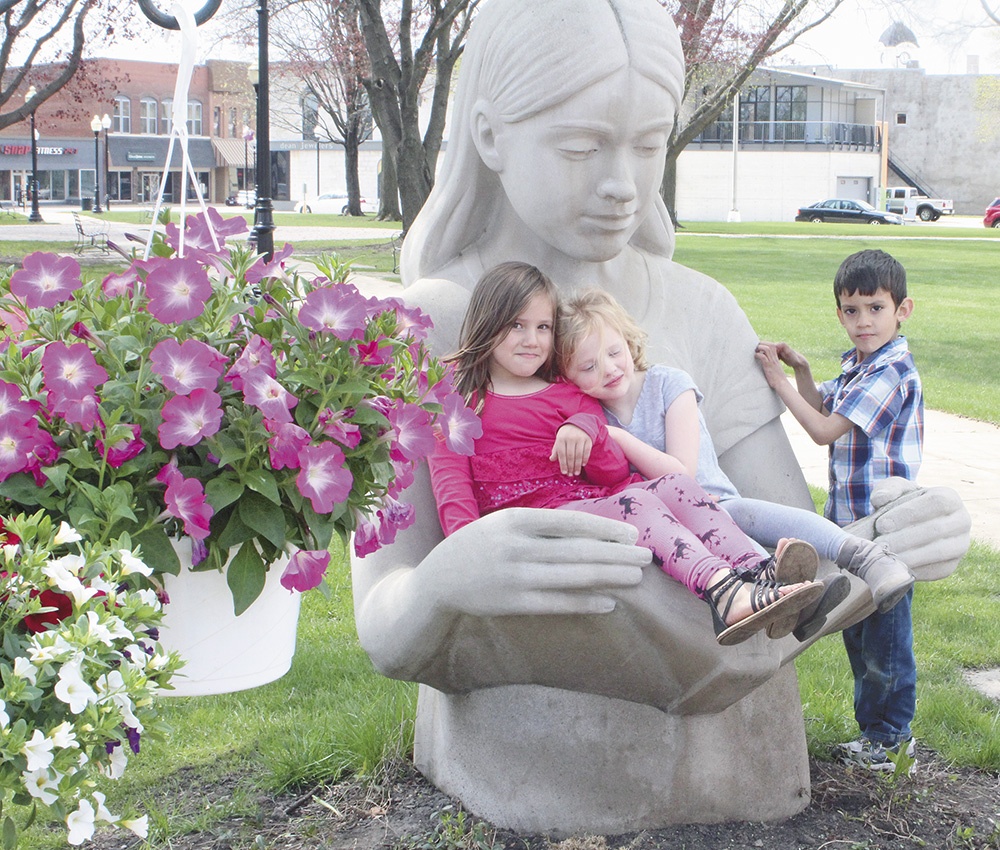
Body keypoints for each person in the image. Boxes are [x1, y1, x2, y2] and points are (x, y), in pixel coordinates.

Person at [349, 0, 969, 828]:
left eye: (648, 144)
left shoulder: (704, 311)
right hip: (537, 781)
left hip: (748, 775)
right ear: (490, 135)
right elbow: (385, 616)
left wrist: (892, 531)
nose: (620, 183)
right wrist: (445, 589)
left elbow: (785, 539)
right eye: (579, 146)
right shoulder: (432, 325)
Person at [430, 262, 823, 646]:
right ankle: (724, 592)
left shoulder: (568, 396)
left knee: (673, 483)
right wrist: (468, 552)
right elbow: (452, 486)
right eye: (517, 325)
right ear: (487, 321)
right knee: (637, 499)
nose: (531, 339)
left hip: (584, 506)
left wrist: (586, 429)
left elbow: (612, 474)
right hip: (527, 524)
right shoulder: (458, 399)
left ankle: (756, 571)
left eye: (543, 327)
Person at [556, 288, 915, 642]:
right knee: (741, 555)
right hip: (668, 534)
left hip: (715, 503)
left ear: (627, 338)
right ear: (567, 377)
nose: (608, 369)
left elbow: (682, 473)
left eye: (614, 352)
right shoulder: (589, 418)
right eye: (588, 366)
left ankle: (867, 558)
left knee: (756, 516)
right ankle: (799, 604)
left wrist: (616, 437)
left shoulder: (668, 384)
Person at [755, 248, 922, 772]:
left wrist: (778, 384)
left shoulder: (890, 373)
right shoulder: (860, 366)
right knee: (860, 632)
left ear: (903, 310)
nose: (863, 321)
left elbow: (822, 430)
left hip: (886, 529)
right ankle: (875, 736)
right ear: (838, 313)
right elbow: (825, 404)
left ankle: (893, 740)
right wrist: (801, 370)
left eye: (875, 308)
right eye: (851, 310)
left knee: (887, 641)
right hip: (855, 522)